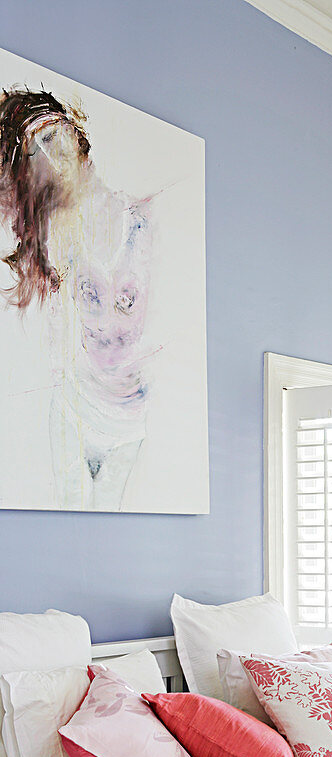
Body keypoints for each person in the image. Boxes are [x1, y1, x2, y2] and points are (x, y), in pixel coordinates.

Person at [0, 87, 153, 510]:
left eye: (50, 139)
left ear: (73, 132)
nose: (49, 159)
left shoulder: (137, 223)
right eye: (33, 156)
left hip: (127, 414)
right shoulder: (52, 241)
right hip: (73, 409)